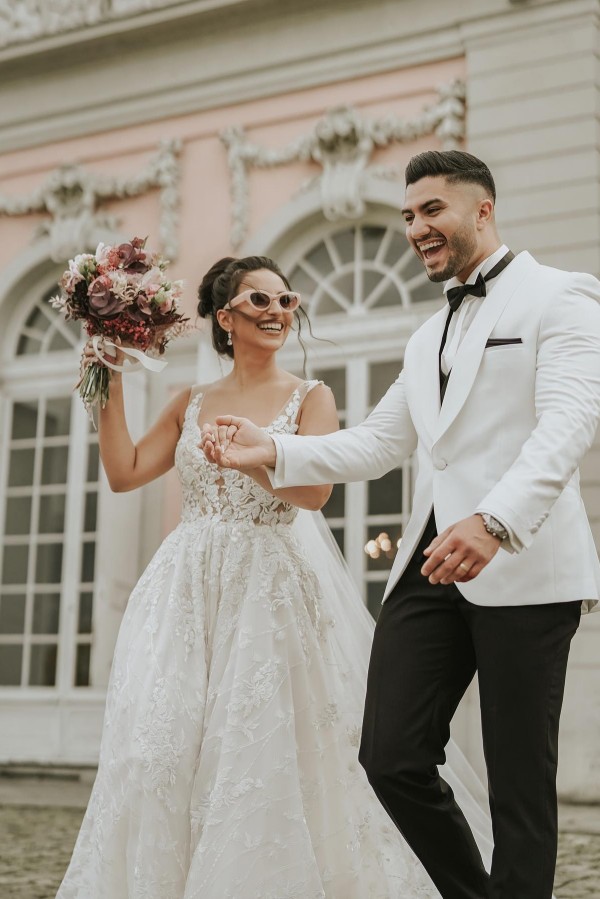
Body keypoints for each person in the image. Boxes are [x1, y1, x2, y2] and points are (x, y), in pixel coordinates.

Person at [201, 151, 600, 899]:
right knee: (390, 754)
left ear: (482, 210)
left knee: (519, 783)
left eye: (432, 210)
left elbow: (570, 422)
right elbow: (377, 443)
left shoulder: (563, 296)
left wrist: (496, 521)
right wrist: (274, 448)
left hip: (523, 560)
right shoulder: (426, 337)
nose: (416, 227)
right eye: (409, 214)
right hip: (428, 564)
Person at [57, 253, 492, 899]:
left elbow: (315, 492)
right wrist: (108, 377)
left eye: (287, 301)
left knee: (259, 748)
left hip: (269, 587)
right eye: (260, 301)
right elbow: (124, 471)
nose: (278, 312)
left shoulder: (311, 396)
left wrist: (254, 459)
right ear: (225, 316)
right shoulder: (190, 400)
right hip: (185, 587)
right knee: (162, 748)